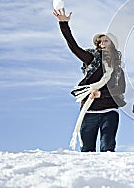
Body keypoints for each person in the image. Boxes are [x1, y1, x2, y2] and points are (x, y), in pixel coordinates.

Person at [53, 8, 126, 152]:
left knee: (107, 148)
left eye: (105, 41)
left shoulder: (118, 70)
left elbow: (120, 90)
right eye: (99, 42)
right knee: (87, 150)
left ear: (112, 44)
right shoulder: (91, 60)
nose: (102, 44)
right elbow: (74, 47)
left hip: (110, 111)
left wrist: (101, 94)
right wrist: (63, 24)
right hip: (90, 111)